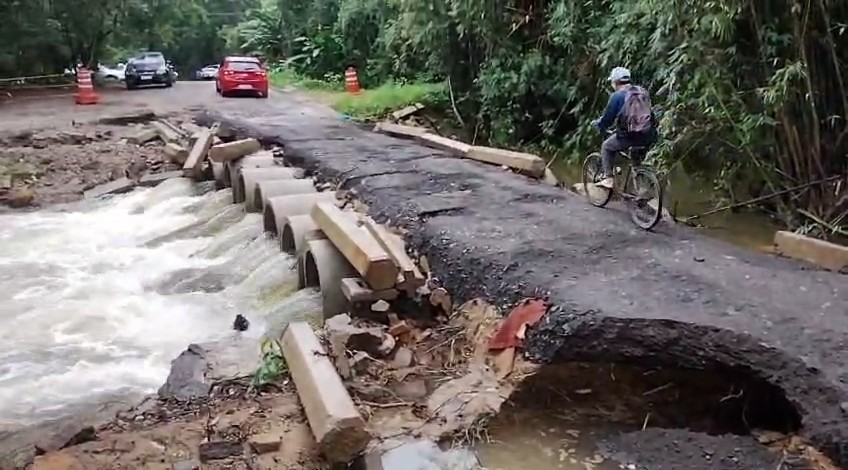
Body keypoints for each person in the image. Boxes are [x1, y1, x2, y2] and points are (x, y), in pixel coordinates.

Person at [591, 67, 657, 189]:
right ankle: (642, 186)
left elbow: (608, 118)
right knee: (635, 159)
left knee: (606, 147)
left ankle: (609, 178)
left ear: (615, 82)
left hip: (629, 136)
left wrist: (599, 125)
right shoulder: (642, 91)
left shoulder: (617, 96)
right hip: (648, 134)